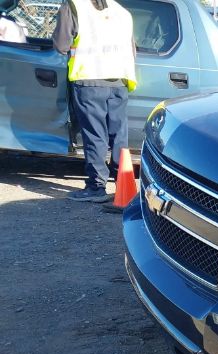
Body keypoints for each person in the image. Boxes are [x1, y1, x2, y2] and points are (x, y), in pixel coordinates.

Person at [52, 0, 136, 203]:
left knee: (95, 135)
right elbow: (132, 50)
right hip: (120, 81)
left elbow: (61, 45)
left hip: (89, 80)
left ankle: (96, 187)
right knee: (119, 136)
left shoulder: (74, 6)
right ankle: (124, 185)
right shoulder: (121, 11)